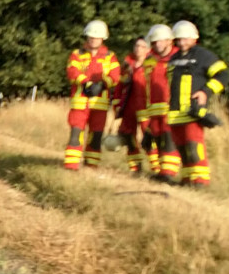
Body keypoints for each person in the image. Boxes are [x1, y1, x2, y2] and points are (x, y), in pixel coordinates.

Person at [165, 20, 227, 187]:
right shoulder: (174, 58)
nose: (182, 43)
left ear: (194, 38)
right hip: (175, 112)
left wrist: (205, 92)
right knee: (182, 147)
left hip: (192, 110)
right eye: (178, 39)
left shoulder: (204, 56)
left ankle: (200, 181)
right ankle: (187, 179)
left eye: (185, 39)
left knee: (194, 146)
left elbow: (223, 75)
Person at [63, 20, 119, 170]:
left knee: (96, 135)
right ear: (87, 37)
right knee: (76, 133)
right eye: (91, 37)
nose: (94, 39)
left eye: (97, 37)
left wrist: (102, 84)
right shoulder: (77, 54)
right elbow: (72, 71)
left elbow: (115, 75)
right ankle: (71, 165)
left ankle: (91, 164)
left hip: (100, 104)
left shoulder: (110, 56)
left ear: (103, 38)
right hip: (80, 102)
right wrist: (85, 83)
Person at [142, 24, 179, 180]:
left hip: (171, 106)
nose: (157, 44)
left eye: (161, 41)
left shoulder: (178, 58)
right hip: (153, 108)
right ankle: (163, 171)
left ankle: (169, 173)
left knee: (169, 138)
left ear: (170, 41)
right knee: (158, 138)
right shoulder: (149, 60)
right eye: (154, 41)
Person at [116, 36, 152, 173]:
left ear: (148, 49)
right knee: (127, 135)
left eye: (142, 46)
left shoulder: (151, 64)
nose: (138, 49)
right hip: (129, 106)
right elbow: (119, 85)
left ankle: (156, 168)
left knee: (148, 137)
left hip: (145, 106)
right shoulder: (127, 65)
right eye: (137, 46)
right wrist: (117, 104)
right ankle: (135, 167)